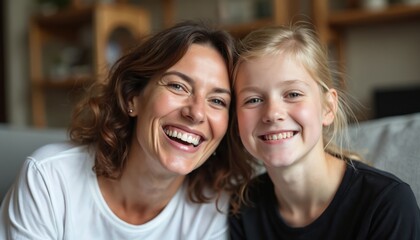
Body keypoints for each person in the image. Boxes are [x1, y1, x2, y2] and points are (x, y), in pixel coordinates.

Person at [0, 20, 247, 239]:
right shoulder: (49, 179)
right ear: (132, 98)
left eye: (217, 101)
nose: (196, 112)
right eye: (178, 86)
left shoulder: (216, 207)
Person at [228, 23, 420, 239]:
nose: (272, 113)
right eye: (253, 99)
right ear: (236, 120)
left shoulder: (386, 204)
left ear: (328, 108)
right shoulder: (240, 209)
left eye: (293, 94)